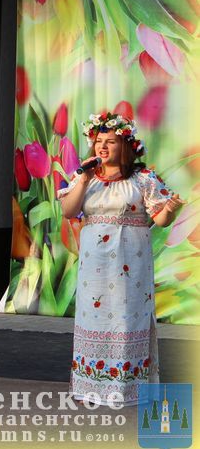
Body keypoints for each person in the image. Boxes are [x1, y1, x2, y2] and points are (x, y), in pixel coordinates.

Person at [58, 111, 184, 407]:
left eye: (110, 141)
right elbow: (68, 211)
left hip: (130, 262)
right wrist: (83, 179)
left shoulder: (143, 179)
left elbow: (160, 219)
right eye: (98, 141)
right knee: (94, 316)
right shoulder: (85, 177)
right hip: (94, 263)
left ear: (125, 146)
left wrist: (171, 208)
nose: (102, 147)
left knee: (127, 318)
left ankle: (128, 387)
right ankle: (91, 386)